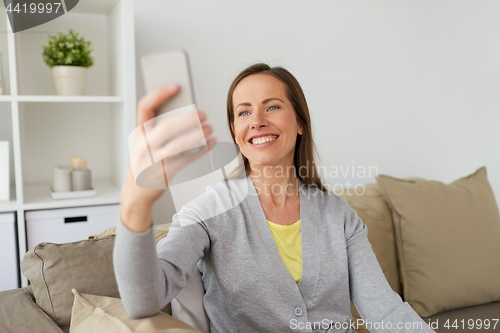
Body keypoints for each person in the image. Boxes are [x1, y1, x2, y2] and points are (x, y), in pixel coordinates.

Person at [114, 63, 435, 333]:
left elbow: (386, 313)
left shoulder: (338, 215)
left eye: (272, 106)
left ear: (299, 123)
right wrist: (135, 205)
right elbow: (144, 300)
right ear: (234, 130)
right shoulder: (206, 212)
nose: (257, 120)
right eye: (243, 112)